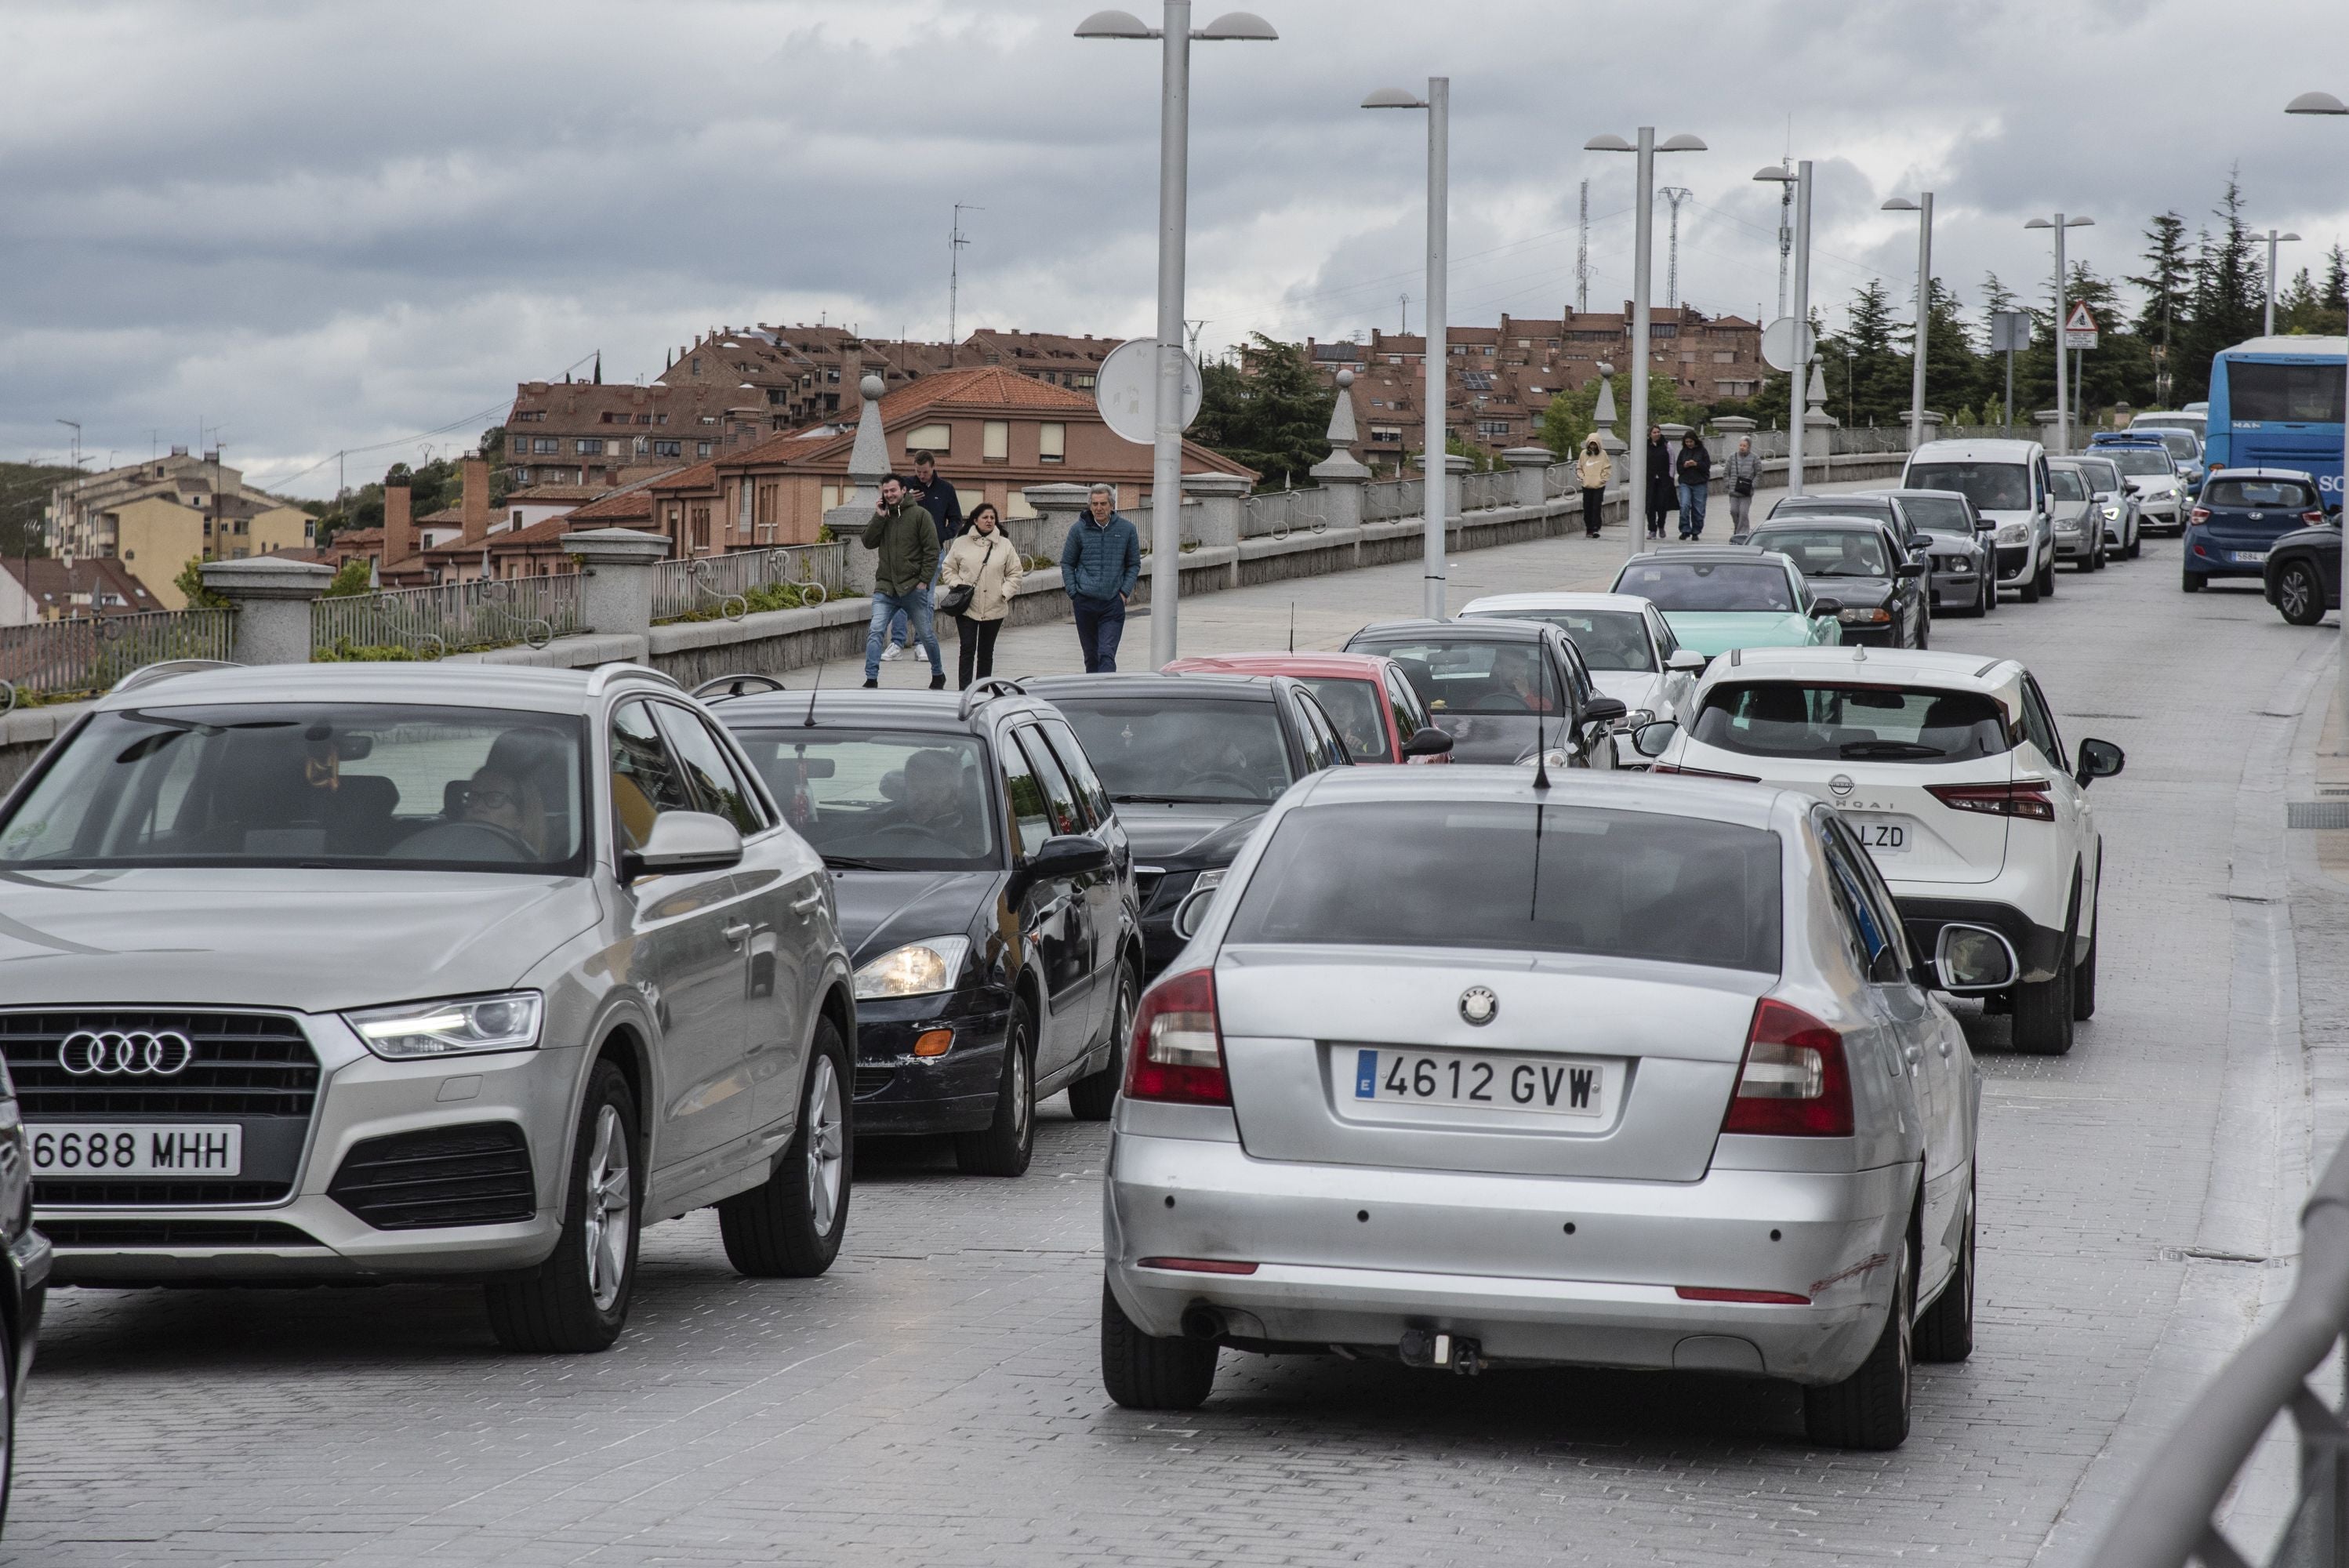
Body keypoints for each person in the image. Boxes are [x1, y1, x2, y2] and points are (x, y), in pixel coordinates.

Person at [880, 450, 966, 662]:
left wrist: (941, 535)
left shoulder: (946, 489)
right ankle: (897, 643)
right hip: (906, 555)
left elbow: (956, 519)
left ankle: (921, 644)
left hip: (933, 553)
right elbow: (886, 508)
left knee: (925, 600)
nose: (921, 476)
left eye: (925, 472)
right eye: (918, 472)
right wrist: (906, 499)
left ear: (933, 467)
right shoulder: (904, 486)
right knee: (901, 598)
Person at [860, 474, 944, 689]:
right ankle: (871, 679)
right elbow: (868, 542)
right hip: (885, 588)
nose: (889, 495)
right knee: (876, 630)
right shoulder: (883, 516)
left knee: (926, 634)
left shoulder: (920, 515)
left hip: (912, 588)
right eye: (886, 492)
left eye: (893, 491)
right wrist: (879, 517)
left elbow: (932, 550)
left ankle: (938, 673)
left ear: (904, 490)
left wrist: (924, 580)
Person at [939, 502, 1023, 689]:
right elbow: (948, 568)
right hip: (967, 605)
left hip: (995, 606)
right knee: (967, 648)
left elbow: (1015, 573)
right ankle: (964, 690)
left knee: (986, 652)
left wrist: (1004, 593)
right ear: (975, 520)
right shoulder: (961, 542)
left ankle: (982, 690)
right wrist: (956, 585)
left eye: (992, 518)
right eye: (985, 517)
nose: (989, 521)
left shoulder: (1005, 544)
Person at [1059, 483, 1140, 673]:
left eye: (1103, 503)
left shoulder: (1127, 529)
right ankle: (1092, 695)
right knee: (1091, 655)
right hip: (1085, 602)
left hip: (1112, 602)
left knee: (1106, 653)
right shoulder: (1078, 530)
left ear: (1112, 505)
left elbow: (1134, 564)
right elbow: (1067, 563)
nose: (1099, 508)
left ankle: (1108, 695)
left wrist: (1124, 592)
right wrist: (1074, 592)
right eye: (1095, 504)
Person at [459, 766, 546, 856]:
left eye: (494, 799)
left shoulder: (524, 864)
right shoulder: (446, 847)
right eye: (473, 797)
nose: (477, 807)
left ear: (521, 818)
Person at [1676, 429, 1713, 540]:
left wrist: (1696, 464)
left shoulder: (1702, 451)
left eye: (1691, 442)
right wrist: (1685, 466)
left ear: (1695, 441)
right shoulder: (1683, 452)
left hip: (1700, 483)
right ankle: (1685, 529)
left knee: (1699, 509)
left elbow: (1707, 467)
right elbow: (1679, 468)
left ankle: (1696, 531)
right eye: (1687, 442)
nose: (1689, 444)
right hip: (1685, 482)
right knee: (1684, 505)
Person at [1723, 435, 1763, 536]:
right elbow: (1726, 472)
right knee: (1733, 511)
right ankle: (1738, 527)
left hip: (1746, 492)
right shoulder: (1732, 457)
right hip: (1733, 491)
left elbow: (1759, 474)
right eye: (1740, 445)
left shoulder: (1755, 458)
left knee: (1743, 513)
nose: (1742, 447)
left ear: (1749, 446)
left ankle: (1742, 533)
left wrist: (1752, 485)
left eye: (1744, 446)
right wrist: (1728, 483)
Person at [1575, 437, 1611, 539]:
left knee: (1596, 506)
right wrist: (1583, 478)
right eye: (1591, 444)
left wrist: (1602, 479)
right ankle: (1589, 529)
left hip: (1599, 486)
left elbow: (1607, 468)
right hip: (1587, 485)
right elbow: (1579, 468)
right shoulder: (1583, 454)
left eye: (1595, 444)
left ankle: (1596, 528)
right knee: (1587, 507)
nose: (1593, 446)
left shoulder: (1603, 454)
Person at [1644, 425, 1674, 539]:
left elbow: (1672, 461)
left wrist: (1670, 477)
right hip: (1650, 480)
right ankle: (1652, 529)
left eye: (1658, 432)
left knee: (1662, 505)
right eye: (1654, 432)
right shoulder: (1646, 446)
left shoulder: (1667, 445)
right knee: (1650, 506)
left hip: (1663, 480)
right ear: (1650, 434)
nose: (1657, 434)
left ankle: (1661, 525)